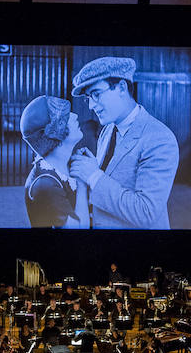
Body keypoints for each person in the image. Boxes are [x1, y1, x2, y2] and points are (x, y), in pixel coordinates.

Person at [69, 57, 179, 229]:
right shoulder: (108, 129)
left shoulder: (160, 138)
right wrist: (89, 171)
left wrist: (93, 175)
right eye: (88, 98)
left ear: (121, 87)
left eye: (96, 94)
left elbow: (145, 212)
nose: (91, 105)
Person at [20, 95, 90, 228]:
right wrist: (81, 184)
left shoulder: (64, 166)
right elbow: (81, 228)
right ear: (55, 132)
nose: (75, 116)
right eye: (66, 117)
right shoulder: (45, 184)